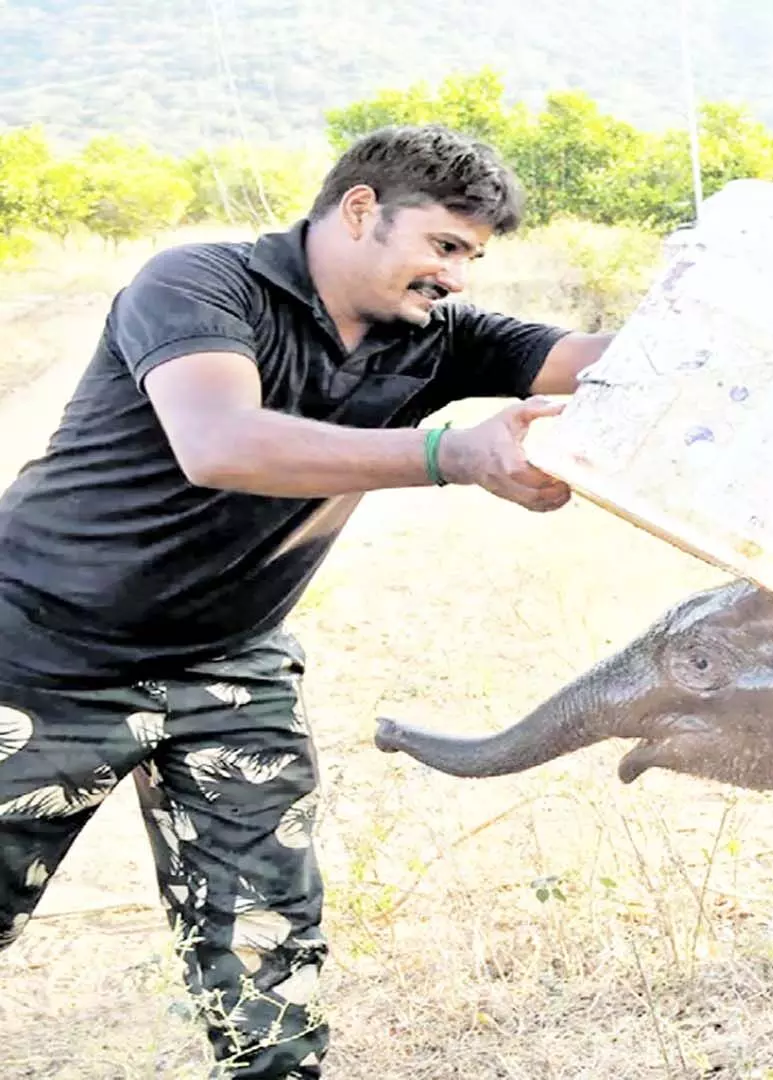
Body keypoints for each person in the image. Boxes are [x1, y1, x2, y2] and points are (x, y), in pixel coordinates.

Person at [0, 124, 614, 1078]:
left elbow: (604, 361)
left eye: (473, 256)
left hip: (229, 665)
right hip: (41, 650)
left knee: (265, 959)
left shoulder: (436, 336)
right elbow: (223, 443)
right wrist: (450, 455)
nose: (456, 276)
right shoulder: (199, 284)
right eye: (444, 246)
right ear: (361, 208)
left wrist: (737, 320)